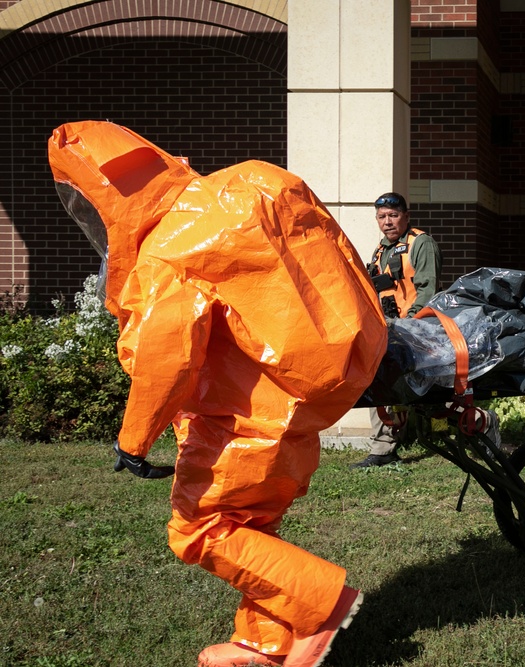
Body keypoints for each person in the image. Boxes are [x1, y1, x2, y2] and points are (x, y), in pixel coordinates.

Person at [48, 121, 388, 666]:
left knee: (202, 528)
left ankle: (320, 604)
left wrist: (133, 442)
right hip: (320, 388)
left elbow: (168, 358)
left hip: (244, 416)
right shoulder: (256, 180)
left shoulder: (164, 257)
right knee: (254, 526)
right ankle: (268, 644)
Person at [352, 192, 443, 469]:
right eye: (382, 217)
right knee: (381, 381)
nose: (387, 222)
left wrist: (412, 323)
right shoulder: (380, 251)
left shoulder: (421, 243)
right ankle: (383, 448)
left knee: (433, 390)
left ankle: (475, 423)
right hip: (390, 329)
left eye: (393, 215)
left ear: (406, 216)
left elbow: (428, 288)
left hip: (418, 327)